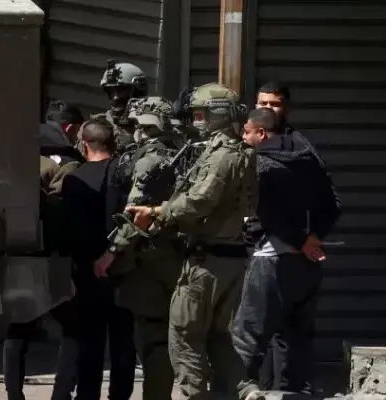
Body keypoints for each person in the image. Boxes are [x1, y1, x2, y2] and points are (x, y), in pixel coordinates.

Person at [118, 83, 258, 400]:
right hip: (228, 257)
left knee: (184, 336)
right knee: (217, 336)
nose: (197, 120)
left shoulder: (222, 155)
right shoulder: (238, 151)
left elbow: (199, 201)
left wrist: (158, 212)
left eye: (201, 114)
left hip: (206, 261)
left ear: (219, 114)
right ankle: (246, 389)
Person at [231, 108, 342, 400]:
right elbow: (334, 204)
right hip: (308, 265)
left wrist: (301, 241)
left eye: (247, 132)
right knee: (296, 338)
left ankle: (241, 389)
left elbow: (270, 215)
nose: (243, 138)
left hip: (271, 259)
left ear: (261, 133)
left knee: (247, 334)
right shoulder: (309, 159)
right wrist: (313, 239)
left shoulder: (261, 165)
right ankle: (293, 393)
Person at [96, 96, 184, 400]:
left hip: (149, 259)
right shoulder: (182, 153)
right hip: (173, 256)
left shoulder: (148, 160)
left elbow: (136, 214)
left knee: (153, 336)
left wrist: (111, 252)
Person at [3, 121, 85, 400]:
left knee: (18, 327)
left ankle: (14, 394)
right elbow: (62, 207)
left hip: (17, 251)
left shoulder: (12, 164)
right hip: (53, 255)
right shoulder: (65, 164)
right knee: (72, 326)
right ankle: (61, 393)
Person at [61, 119, 137, 400]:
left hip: (86, 271)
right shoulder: (125, 173)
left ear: (84, 145)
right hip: (122, 266)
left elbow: (69, 230)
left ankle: (87, 395)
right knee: (123, 342)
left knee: (89, 343)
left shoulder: (74, 179)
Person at [93, 59, 149, 152]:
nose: (115, 97)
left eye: (121, 90)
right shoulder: (100, 126)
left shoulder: (152, 124)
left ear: (138, 91)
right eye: (111, 91)